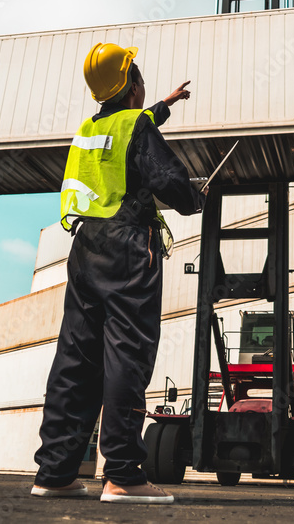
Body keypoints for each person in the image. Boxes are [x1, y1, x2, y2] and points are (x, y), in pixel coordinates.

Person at [31, 42, 205, 504]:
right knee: (127, 357)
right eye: (141, 79)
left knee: (76, 359)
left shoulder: (89, 129)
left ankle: (55, 473)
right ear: (132, 84)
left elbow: (129, 132)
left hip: (86, 249)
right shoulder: (136, 125)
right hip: (130, 248)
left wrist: (164, 105)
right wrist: (195, 198)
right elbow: (167, 180)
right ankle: (123, 476)